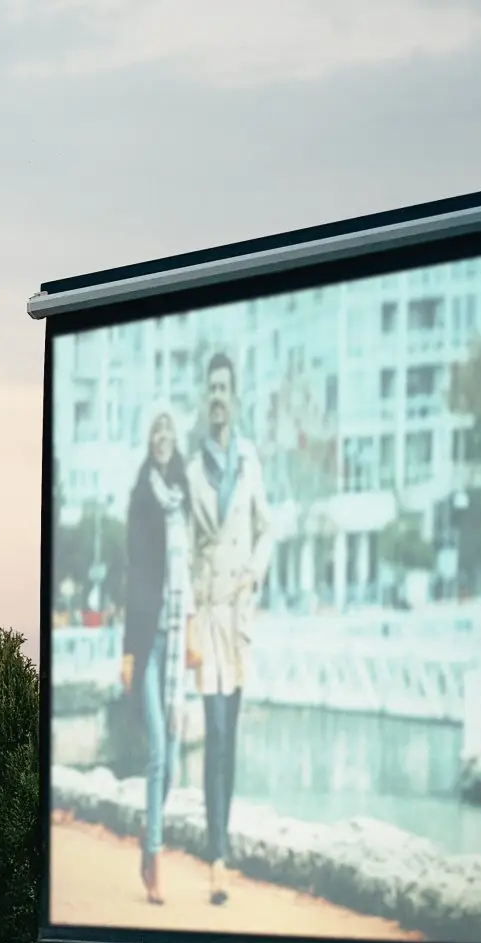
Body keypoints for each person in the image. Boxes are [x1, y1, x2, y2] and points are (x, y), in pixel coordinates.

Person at [184, 351, 271, 906]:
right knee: (213, 732)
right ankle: (216, 853)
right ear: (205, 397)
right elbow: (186, 549)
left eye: (225, 388)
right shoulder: (192, 470)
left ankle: (223, 841)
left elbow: (268, 526)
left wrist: (252, 575)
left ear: (234, 399)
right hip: (206, 616)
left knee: (228, 736)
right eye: (211, 388)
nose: (218, 396)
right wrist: (190, 616)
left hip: (236, 619)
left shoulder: (249, 459)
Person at [119, 403, 193, 907]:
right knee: (158, 754)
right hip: (146, 641)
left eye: (168, 429)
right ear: (150, 441)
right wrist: (127, 650)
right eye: (156, 429)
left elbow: (188, 574)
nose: (162, 436)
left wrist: (191, 634)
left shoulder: (183, 497)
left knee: (168, 757)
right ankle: (154, 860)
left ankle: (148, 843)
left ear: (174, 441)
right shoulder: (141, 497)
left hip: (174, 635)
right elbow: (133, 575)